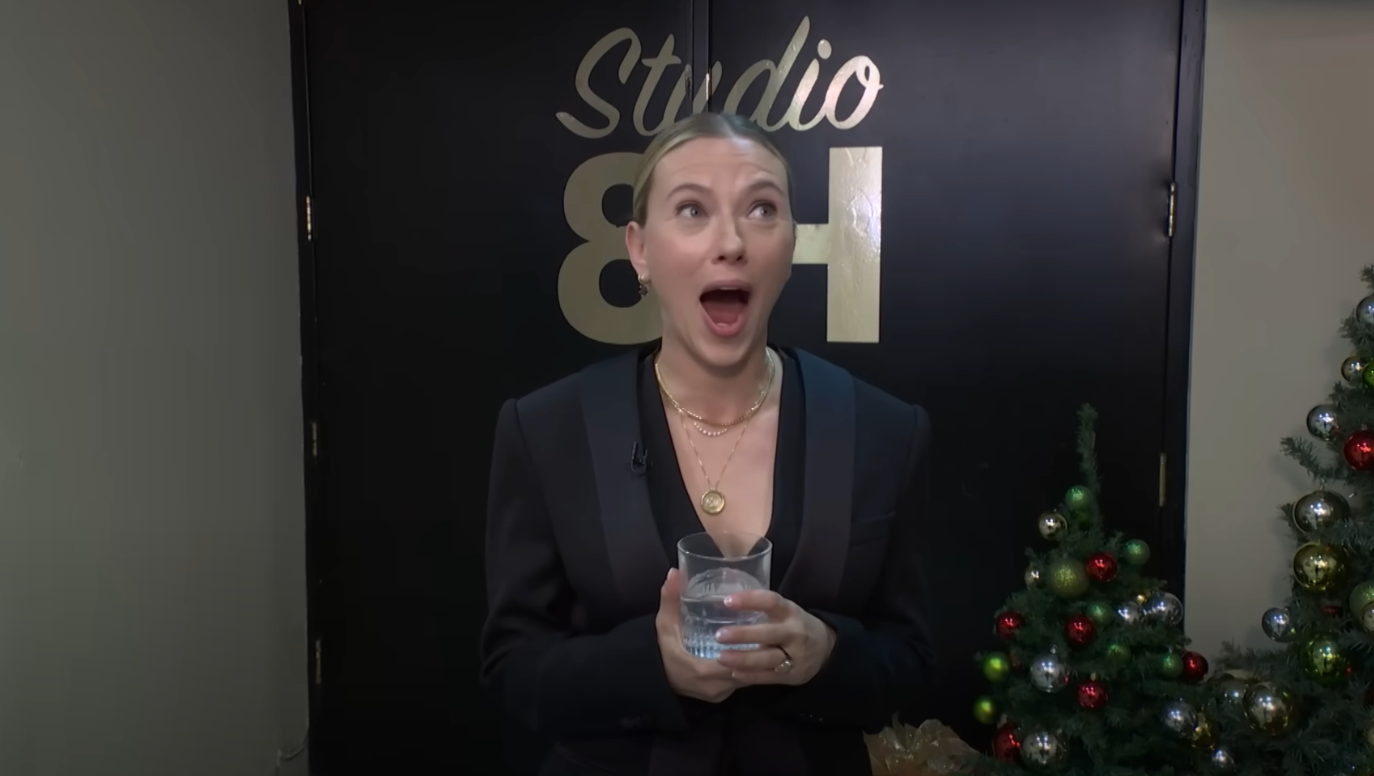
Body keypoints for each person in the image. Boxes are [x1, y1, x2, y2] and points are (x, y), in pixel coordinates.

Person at [479, 111, 935, 776]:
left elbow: (912, 662)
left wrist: (825, 653)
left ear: (788, 247)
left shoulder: (885, 430)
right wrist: (648, 666)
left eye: (761, 210)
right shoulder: (547, 428)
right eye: (692, 210)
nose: (731, 241)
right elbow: (514, 668)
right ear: (640, 249)